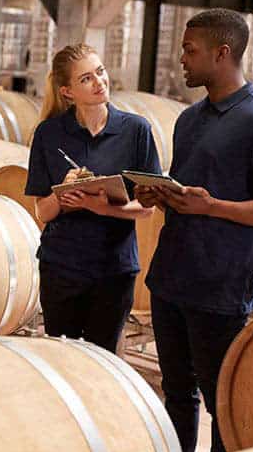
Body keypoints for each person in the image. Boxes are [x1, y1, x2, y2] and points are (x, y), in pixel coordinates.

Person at [135, 9, 253, 452]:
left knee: (223, 404)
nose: (182, 60)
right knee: (175, 394)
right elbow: (194, 190)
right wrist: (162, 195)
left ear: (222, 52)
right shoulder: (190, 119)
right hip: (171, 280)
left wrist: (215, 207)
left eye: (190, 51)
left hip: (221, 289)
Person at [25, 43, 161, 353]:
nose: (99, 82)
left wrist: (99, 206)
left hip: (113, 269)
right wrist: (63, 191)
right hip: (61, 267)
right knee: (61, 359)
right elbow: (43, 212)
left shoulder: (136, 131)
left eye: (100, 72)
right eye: (86, 78)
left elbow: (147, 209)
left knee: (104, 362)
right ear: (67, 92)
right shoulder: (49, 134)